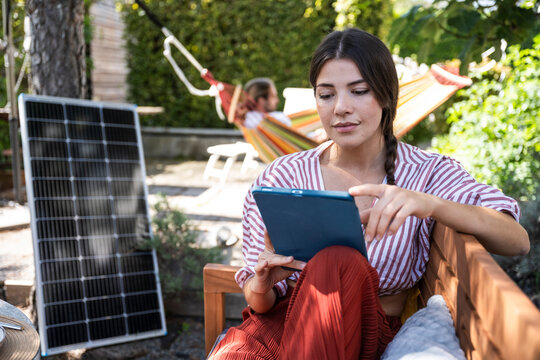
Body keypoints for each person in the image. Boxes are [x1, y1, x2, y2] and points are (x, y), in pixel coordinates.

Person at [209, 28, 529, 359]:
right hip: (283, 326)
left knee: (338, 260)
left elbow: (517, 240)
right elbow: (259, 301)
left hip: (364, 336)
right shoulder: (281, 176)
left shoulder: (426, 173)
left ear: (387, 95)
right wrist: (261, 285)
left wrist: (429, 203)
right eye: (326, 95)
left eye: (359, 91)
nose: (341, 108)